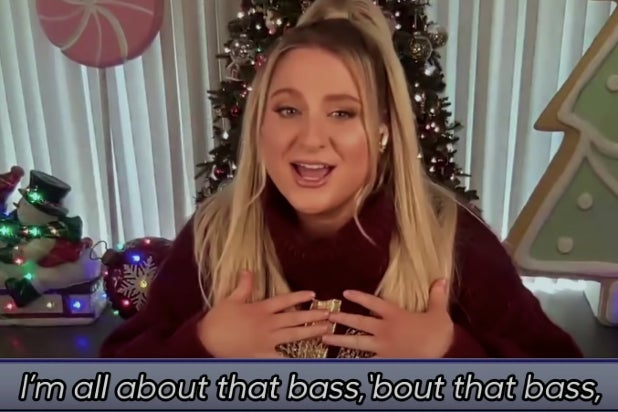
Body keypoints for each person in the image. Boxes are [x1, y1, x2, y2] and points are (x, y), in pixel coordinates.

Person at [99, 0, 583, 358]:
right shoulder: (215, 235)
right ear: (260, 124)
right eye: (288, 110)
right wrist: (202, 344)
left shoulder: (449, 237)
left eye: (342, 113)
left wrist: (450, 353)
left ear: (382, 131)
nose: (311, 139)